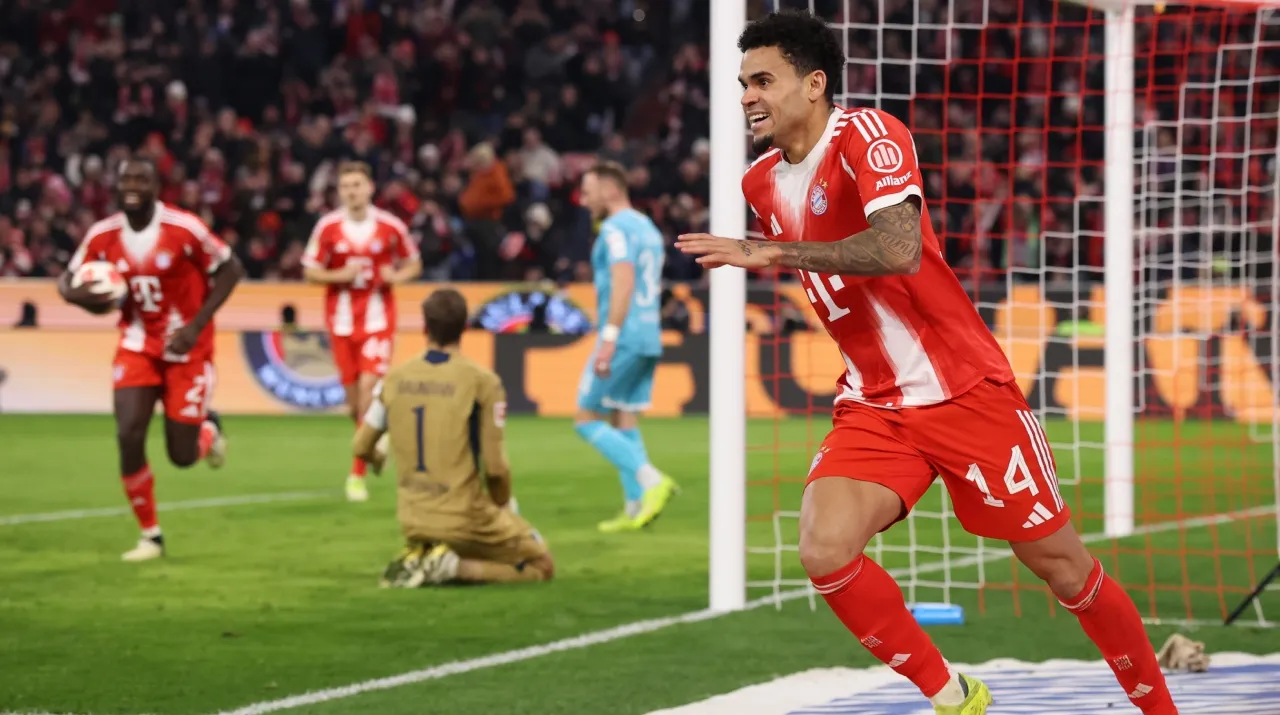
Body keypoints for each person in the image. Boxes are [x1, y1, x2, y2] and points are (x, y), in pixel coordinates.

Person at [675, 11, 1178, 715]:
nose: (747, 97)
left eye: (763, 80)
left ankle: (1160, 708)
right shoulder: (759, 183)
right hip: (877, 404)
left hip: (966, 391)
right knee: (824, 546)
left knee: (1063, 568)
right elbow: (834, 278)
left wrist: (771, 252)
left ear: (814, 83)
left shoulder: (870, 136)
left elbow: (898, 248)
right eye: (742, 83)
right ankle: (954, 695)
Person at [58, 157, 245, 562]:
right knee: (128, 434)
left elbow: (231, 269)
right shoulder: (103, 234)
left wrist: (195, 326)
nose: (132, 185)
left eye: (141, 178)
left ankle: (208, 431)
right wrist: (78, 297)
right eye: (125, 178)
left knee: (181, 456)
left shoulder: (184, 228)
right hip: (137, 344)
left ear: (157, 186)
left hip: (186, 350)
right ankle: (151, 536)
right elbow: (67, 280)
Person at [354, 288, 554, 587]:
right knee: (541, 565)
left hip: (413, 519)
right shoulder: (482, 382)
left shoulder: (394, 379)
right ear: (465, 328)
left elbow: (360, 445)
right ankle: (451, 568)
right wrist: (503, 511)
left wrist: (378, 459)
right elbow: (496, 470)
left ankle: (428, 555)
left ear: (424, 327)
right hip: (466, 517)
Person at [303, 161, 422, 503]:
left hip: (377, 322)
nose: (352, 192)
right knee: (355, 407)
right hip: (340, 323)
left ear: (370, 188)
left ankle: (356, 477)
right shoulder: (328, 228)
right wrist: (337, 276)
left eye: (357, 185)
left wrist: (396, 278)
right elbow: (310, 271)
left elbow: (413, 262)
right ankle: (376, 444)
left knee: (370, 389)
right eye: (345, 187)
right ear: (339, 192)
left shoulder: (390, 226)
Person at [574, 162, 678, 533]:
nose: (583, 200)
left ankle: (652, 481)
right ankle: (635, 508)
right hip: (649, 333)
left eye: (588, 191)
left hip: (625, 335)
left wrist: (609, 338)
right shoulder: (647, 227)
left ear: (610, 189)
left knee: (586, 419)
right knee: (623, 416)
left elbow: (624, 278)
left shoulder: (615, 229)